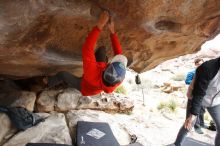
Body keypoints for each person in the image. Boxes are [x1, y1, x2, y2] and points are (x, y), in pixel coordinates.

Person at [44, 11, 127, 96]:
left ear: (107, 68)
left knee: (62, 74)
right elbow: (119, 55)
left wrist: (100, 25)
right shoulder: (119, 78)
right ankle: (94, 60)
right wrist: (112, 33)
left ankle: (48, 82)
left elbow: (87, 48)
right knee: (102, 50)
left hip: (84, 86)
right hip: (99, 74)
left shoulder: (91, 74)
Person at [173, 57, 220, 146]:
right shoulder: (208, 67)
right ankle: (177, 144)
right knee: (189, 124)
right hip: (197, 98)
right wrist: (193, 114)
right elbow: (199, 93)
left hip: (215, 102)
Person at [185, 58, 206, 134]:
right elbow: (187, 81)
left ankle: (201, 124)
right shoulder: (192, 72)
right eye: (199, 64)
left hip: (202, 94)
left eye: (202, 64)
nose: (200, 65)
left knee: (202, 110)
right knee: (193, 110)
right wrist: (197, 83)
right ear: (196, 64)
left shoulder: (205, 72)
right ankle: (195, 127)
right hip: (193, 94)